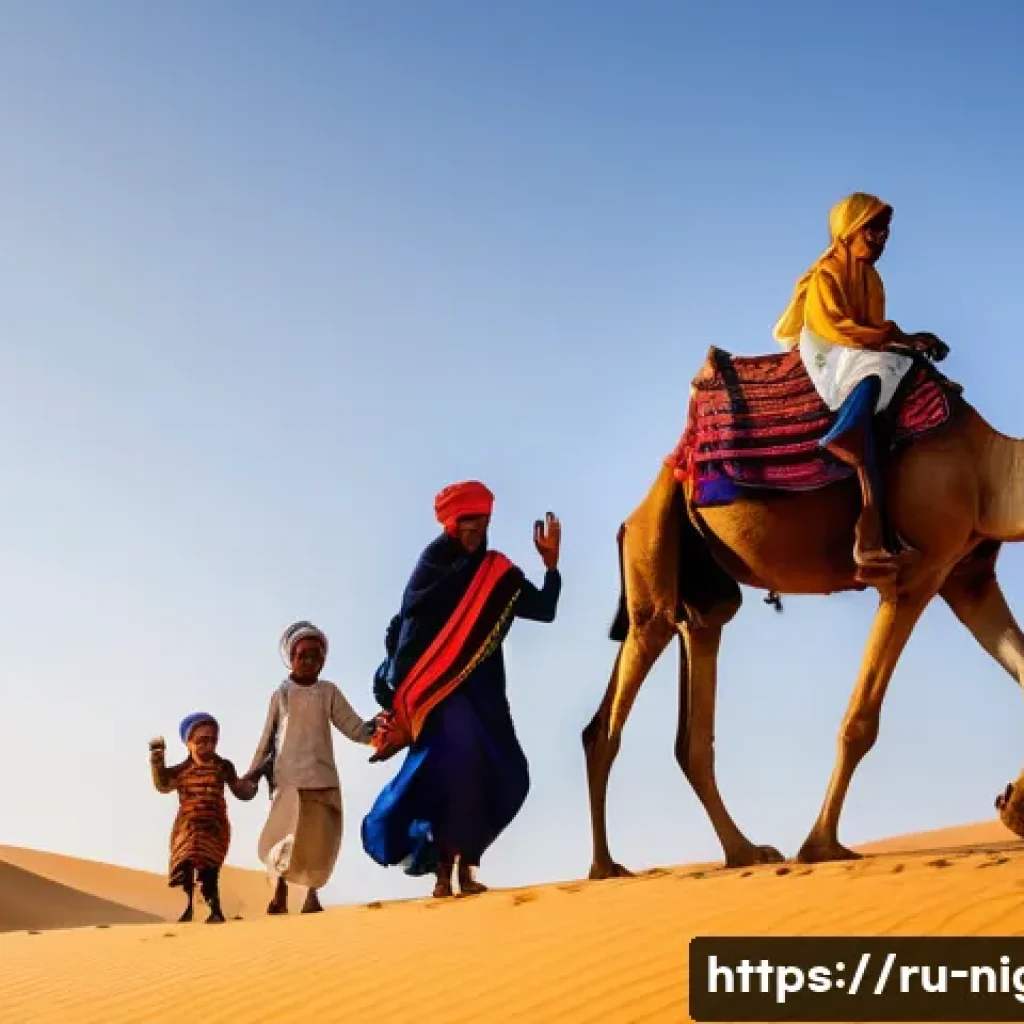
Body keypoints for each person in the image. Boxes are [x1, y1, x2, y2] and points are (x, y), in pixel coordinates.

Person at [361, 480, 561, 898]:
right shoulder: (432, 568)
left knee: (497, 775)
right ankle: (443, 877)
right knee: (446, 777)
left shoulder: (497, 574)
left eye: (481, 523)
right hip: (442, 701)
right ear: (450, 525)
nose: (473, 532)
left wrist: (551, 566)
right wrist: (398, 689)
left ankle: (467, 872)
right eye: (465, 524)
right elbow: (406, 629)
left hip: (486, 696)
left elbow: (544, 610)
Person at [773, 192, 948, 578]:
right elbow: (838, 327)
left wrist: (911, 339)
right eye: (873, 228)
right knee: (878, 370)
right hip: (828, 349)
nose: (881, 237)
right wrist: (896, 339)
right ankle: (847, 430)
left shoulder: (872, 279)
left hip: (858, 345)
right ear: (849, 230)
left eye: (884, 229)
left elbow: (877, 330)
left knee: (903, 368)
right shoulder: (826, 275)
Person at [245, 621, 378, 915]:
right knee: (282, 838)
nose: (309, 661)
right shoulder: (281, 694)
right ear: (291, 658)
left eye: (315, 656)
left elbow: (354, 728)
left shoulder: (329, 692)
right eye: (302, 655)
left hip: (322, 778)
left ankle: (311, 896)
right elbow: (267, 738)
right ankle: (279, 892)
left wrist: (379, 730)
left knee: (319, 842)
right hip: (288, 779)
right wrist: (252, 774)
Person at [149, 712, 257, 923]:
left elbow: (241, 791)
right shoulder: (181, 771)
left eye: (212, 740)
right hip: (188, 827)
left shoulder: (223, 767)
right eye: (201, 741)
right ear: (188, 743)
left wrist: (257, 777)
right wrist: (157, 763)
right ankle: (189, 907)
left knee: (209, 869)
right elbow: (163, 785)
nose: (208, 746)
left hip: (214, 827)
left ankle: (214, 910)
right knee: (186, 863)